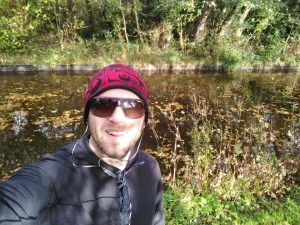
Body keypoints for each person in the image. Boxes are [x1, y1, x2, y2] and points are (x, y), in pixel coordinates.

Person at [0, 64, 165, 225]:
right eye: (103, 105)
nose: (117, 118)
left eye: (132, 107)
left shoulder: (150, 167)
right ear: (87, 116)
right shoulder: (56, 174)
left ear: (144, 120)